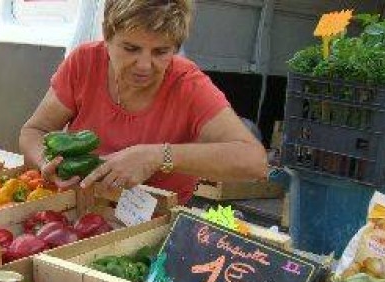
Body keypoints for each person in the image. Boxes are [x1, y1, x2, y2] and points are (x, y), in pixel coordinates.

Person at [19, 0, 267, 204]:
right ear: (107, 35)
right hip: (81, 206)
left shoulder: (189, 85)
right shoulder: (84, 62)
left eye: (161, 52)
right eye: (131, 48)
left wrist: (158, 156)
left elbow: (253, 161)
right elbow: (34, 131)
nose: (144, 65)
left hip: (157, 218)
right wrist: (45, 162)